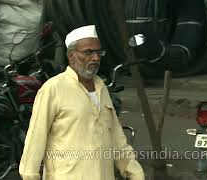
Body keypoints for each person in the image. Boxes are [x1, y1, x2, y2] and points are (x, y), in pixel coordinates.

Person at [19, 25, 144, 180]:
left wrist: (135, 173)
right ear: (71, 56)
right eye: (88, 52)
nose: (96, 58)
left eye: (99, 52)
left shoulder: (101, 88)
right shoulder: (53, 89)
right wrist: (30, 176)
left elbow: (117, 138)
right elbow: (35, 138)